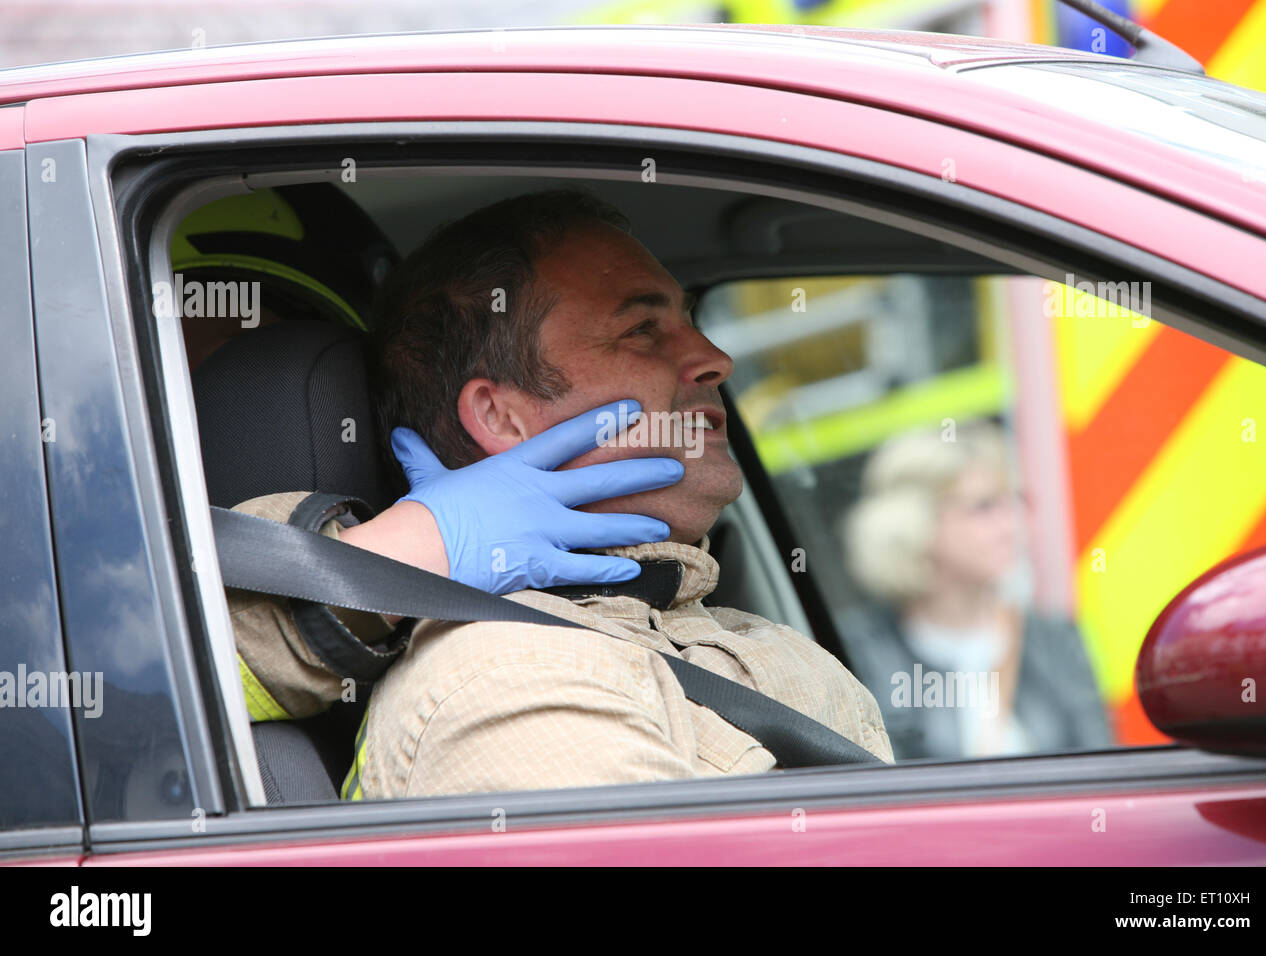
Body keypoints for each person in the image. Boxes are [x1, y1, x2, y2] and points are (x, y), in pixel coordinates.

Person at [229, 187, 894, 798]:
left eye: (689, 319)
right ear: (501, 417)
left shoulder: (731, 630)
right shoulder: (506, 675)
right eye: (642, 329)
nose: (716, 356)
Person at [837, 422, 1111, 760]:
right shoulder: (862, 652)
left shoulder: (1053, 638)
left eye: (1015, 501)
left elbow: (1102, 766)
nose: (1011, 525)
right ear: (912, 522)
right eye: (983, 507)